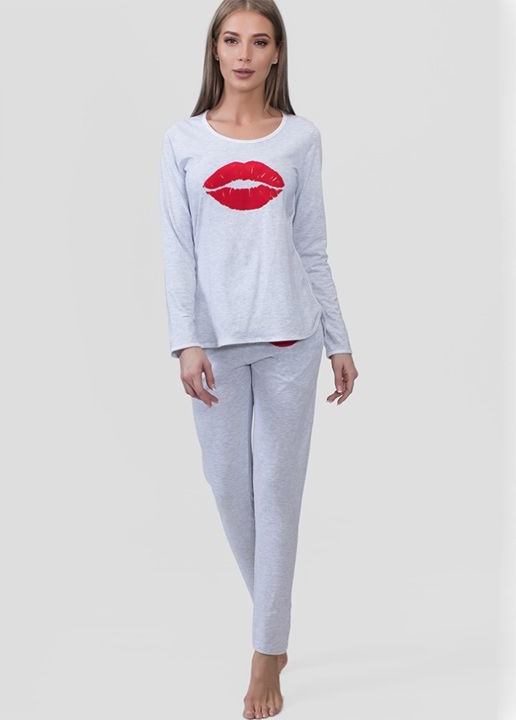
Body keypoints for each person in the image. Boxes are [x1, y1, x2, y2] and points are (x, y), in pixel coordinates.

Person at [159, 1, 359, 716]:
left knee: (276, 494)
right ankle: (273, 623)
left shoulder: (301, 139)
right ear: (215, 49)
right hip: (213, 345)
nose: (245, 53)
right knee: (227, 487)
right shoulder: (182, 141)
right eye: (232, 39)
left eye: (260, 41)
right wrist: (185, 340)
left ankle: (266, 652)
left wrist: (338, 339)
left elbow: (312, 245)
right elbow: (176, 250)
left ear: (277, 53)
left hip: (289, 340)